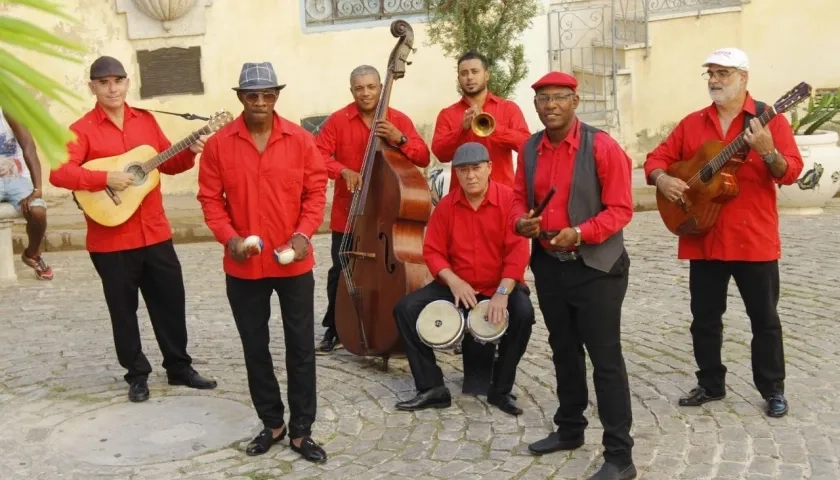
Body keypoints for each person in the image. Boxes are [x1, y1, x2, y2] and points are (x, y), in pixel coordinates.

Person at [644, 48, 803, 419]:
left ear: (744, 78)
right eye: (711, 73)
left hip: (754, 238)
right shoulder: (693, 122)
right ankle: (711, 383)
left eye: (724, 73)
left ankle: (772, 388)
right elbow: (655, 159)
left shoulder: (770, 120)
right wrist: (664, 179)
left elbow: (790, 172)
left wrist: (767, 152)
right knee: (704, 317)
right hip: (703, 234)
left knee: (764, 319)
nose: (715, 80)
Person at [49, 55, 217, 403]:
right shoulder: (81, 130)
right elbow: (58, 173)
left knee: (171, 302)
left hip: (155, 232)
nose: (113, 88)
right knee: (123, 311)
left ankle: (179, 368)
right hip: (110, 239)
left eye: (118, 81)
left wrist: (191, 152)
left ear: (127, 83)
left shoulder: (146, 120)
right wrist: (103, 178)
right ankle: (137, 374)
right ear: (93, 87)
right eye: (104, 82)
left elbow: (165, 165)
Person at [196, 62, 328, 462]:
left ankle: (302, 431)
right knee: (255, 347)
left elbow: (316, 191)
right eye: (252, 95)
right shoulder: (220, 144)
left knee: (301, 346)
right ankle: (272, 423)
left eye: (267, 95)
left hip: (293, 264)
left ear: (276, 97)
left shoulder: (301, 141)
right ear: (240, 98)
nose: (260, 102)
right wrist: (230, 239)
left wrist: (304, 235)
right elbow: (209, 201)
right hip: (244, 267)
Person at [513, 72, 636, 480]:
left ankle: (620, 456)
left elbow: (621, 209)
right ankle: (570, 429)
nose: (550, 105)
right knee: (563, 350)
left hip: (596, 267)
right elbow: (518, 198)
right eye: (543, 99)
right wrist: (522, 222)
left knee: (605, 360)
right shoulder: (530, 148)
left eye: (559, 98)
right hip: (549, 264)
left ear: (575, 101)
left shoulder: (601, 146)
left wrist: (581, 233)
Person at [392, 142, 534, 416]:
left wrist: (503, 293)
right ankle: (432, 387)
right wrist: (454, 281)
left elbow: (518, 251)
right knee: (405, 309)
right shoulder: (446, 207)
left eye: (476, 168)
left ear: (489, 168)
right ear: (456, 173)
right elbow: (432, 251)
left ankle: (501, 389)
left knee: (524, 313)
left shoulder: (509, 201)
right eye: (464, 170)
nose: (470, 176)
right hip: (457, 285)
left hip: (499, 284)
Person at [315, 64, 430, 354]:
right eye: (359, 88)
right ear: (351, 90)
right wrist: (342, 171)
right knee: (341, 272)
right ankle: (335, 328)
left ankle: (392, 326)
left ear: (380, 87)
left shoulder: (398, 119)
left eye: (371, 87)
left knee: (393, 274)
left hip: (387, 219)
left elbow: (423, 156)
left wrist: (398, 138)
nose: (365, 93)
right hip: (351, 216)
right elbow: (316, 155)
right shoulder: (338, 121)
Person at [431, 50, 531, 193]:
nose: (469, 77)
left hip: (503, 197)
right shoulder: (447, 114)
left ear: (487, 75)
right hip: (462, 198)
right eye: (464, 73)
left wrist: (494, 128)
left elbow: (526, 145)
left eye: (475, 71)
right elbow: (440, 154)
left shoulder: (508, 108)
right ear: (458, 78)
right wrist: (462, 131)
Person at [0, 110, 52, 279]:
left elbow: (28, 146)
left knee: (37, 211)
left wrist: (37, 188)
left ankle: (32, 253)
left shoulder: (7, 109)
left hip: (17, 179)